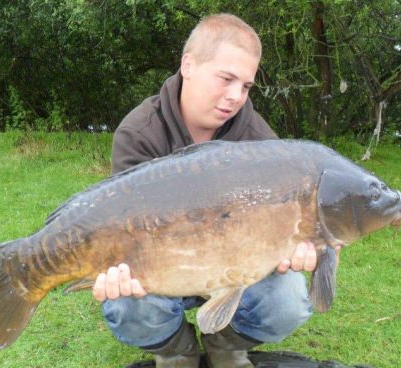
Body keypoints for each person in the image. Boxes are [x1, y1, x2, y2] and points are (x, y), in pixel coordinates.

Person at [92, 13, 321, 368]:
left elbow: (284, 220)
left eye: (245, 86)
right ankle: (176, 351)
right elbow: (122, 229)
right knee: (126, 303)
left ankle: (225, 345)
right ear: (188, 65)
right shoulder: (140, 133)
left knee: (289, 298)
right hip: (166, 268)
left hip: (236, 272)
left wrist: (293, 245)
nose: (235, 97)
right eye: (226, 78)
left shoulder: (259, 142)